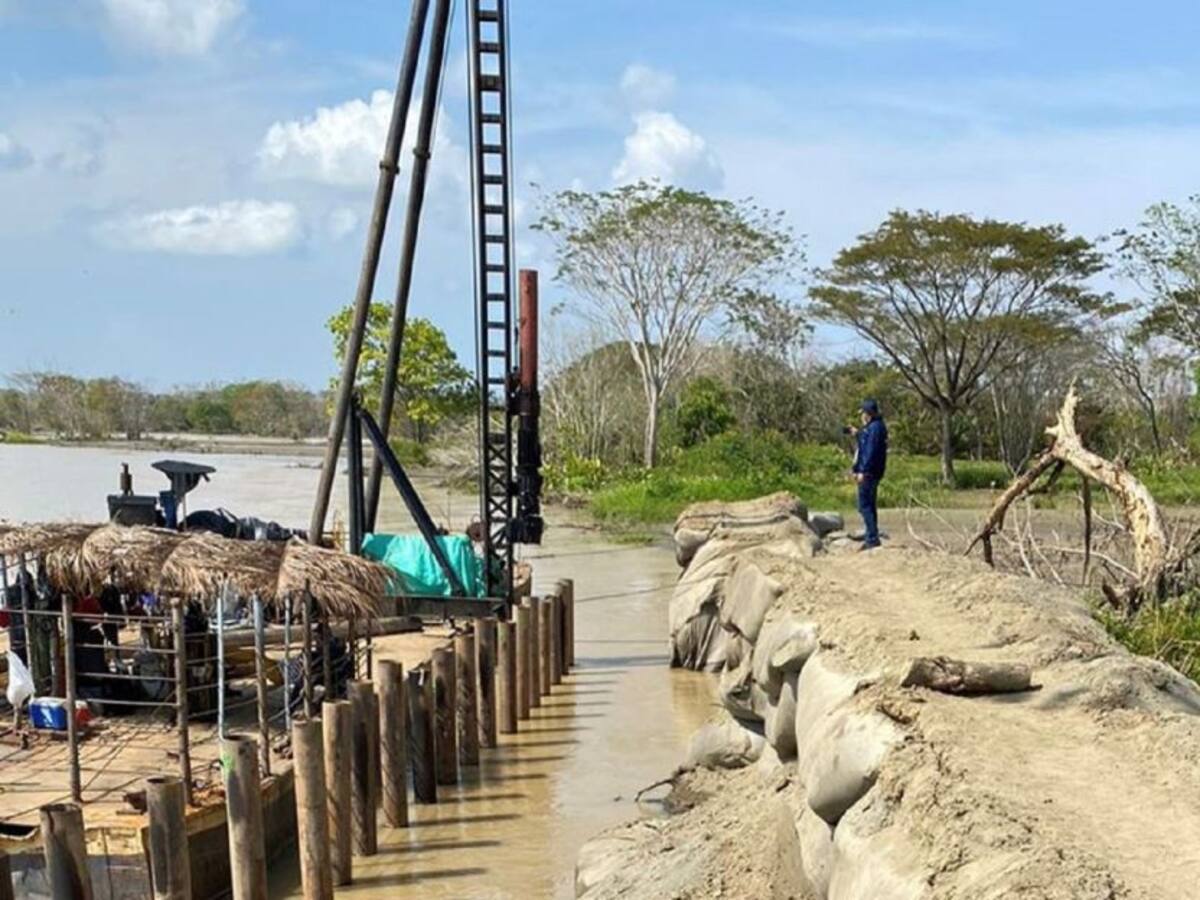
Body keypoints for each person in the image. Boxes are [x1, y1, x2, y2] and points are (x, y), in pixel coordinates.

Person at [849, 399, 888, 550]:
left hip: (869, 473)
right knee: (870, 505)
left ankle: (872, 538)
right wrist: (858, 434)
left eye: (863, 413)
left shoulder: (874, 429)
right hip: (874, 472)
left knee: (864, 505)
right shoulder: (876, 427)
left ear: (868, 414)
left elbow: (869, 452)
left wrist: (862, 471)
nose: (862, 416)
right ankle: (872, 535)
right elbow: (867, 445)